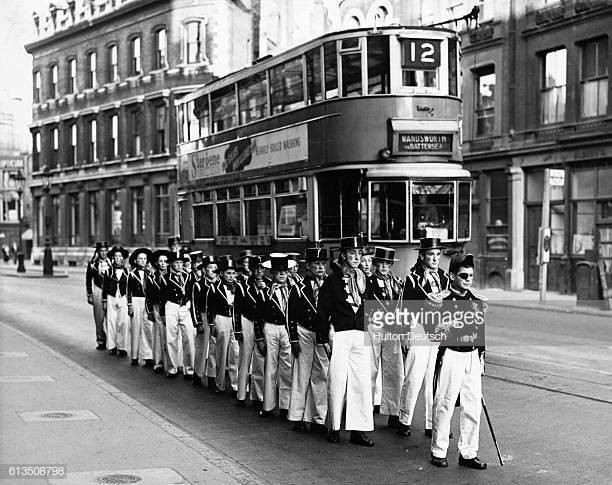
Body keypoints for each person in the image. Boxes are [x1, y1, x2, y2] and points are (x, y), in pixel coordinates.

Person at [431, 253, 487, 469]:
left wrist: (481, 359)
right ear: (452, 276)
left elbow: (480, 333)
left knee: (473, 406)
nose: (468, 279)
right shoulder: (441, 300)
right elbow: (432, 331)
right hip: (451, 354)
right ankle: (438, 450)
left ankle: (469, 453)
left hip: (471, 356)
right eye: (463, 275)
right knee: (445, 403)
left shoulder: (476, 301)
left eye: (471, 275)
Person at [317, 236, 374, 447]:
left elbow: (369, 306)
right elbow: (323, 310)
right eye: (352, 253)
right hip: (340, 334)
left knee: (361, 383)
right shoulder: (332, 281)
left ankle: (358, 430)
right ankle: (334, 427)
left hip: (360, 334)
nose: (357, 257)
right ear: (343, 255)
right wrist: (323, 337)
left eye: (359, 253)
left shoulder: (364, 278)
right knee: (338, 381)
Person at [398, 238, 451, 438]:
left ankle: (431, 423)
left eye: (438, 254)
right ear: (422, 256)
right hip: (419, 328)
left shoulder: (445, 278)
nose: (435, 258)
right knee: (413, 377)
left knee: (433, 380)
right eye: (431, 254)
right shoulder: (413, 279)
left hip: (438, 331)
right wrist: (404, 333)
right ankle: (404, 419)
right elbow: (404, 308)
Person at [287, 247, 330, 433]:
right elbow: (291, 315)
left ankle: (317, 418)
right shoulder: (298, 287)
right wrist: (293, 339)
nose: (320, 268)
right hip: (303, 331)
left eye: (322, 264)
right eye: (316, 264)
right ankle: (297, 416)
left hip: (322, 333)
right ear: (309, 266)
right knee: (301, 374)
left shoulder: (330, 285)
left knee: (320, 376)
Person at [367, 246, 404, 429]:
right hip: (374, 327)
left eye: (387, 264)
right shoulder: (368, 282)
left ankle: (392, 412)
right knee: (370, 370)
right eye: (381, 263)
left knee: (394, 370)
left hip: (392, 329)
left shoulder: (397, 283)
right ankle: (365, 412)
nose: (384, 267)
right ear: (375, 264)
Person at [255, 253, 295, 418]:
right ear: (271, 273)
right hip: (271, 328)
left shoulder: (293, 289)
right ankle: (268, 405)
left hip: (286, 329)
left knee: (287, 367)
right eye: (278, 271)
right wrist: (259, 338)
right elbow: (258, 316)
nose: (282, 274)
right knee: (270, 367)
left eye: (285, 271)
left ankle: (285, 405)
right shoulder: (264, 292)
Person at [234, 254, 269, 408]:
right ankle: (241, 395)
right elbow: (237, 309)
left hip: (262, 323)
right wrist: (237, 329)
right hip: (247, 321)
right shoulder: (242, 285)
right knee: (245, 358)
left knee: (260, 360)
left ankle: (258, 397)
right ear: (251, 269)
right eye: (256, 268)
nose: (259, 271)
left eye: (262, 268)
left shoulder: (269, 284)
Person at [206, 255, 240, 394]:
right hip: (221, 319)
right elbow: (210, 308)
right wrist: (211, 324)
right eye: (228, 273)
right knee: (221, 352)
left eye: (233, 273)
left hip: (234, 320)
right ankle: (219, 384)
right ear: (221, 274)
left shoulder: (238, 287)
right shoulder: (214, 287)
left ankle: (235, 385)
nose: (231, 276)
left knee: (235, 353)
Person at [160, 250, 196, 378]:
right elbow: (162, 297)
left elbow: (192, 293)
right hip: (171, 306)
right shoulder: (165, 278)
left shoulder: (189, 276)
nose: (179, 265)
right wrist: (162, 314)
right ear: (171, 264)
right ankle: (172, 368)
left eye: (181, 263)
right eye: (176, 263)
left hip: (185, 307)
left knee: (189, 338)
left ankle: (189, 369)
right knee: (171, 338)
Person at [191, 255, 219, 388]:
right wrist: (198, 322)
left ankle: (212, 376)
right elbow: (194, 304)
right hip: (203, 317)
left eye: (215, 268)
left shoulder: (220, 285)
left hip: (216, 318)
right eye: (209, 268)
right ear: (204, 270)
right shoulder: (199, 285)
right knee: (201, 347)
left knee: (214, 347)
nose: (212, 270)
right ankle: (198, 374)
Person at [127, 248, 154, 367]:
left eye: (144, 259)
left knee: (148, 327)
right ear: (136, 261)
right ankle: (134, 356)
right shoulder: (132, 274)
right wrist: (129, 305)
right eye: (140, 259)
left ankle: (148, 356)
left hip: (147, 301)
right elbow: (128, 291)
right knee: (135, 328)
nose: (142, 261)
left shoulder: (151, 273)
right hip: (136, 300)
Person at [102, 246, 130, 357]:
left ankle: (122, 346)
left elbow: (129, 287)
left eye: (120, 256)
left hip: (122, 297)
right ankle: (112, 346)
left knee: (123, 322)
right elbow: (105, 286)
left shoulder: (127, 271)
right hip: (111, 296)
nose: (118, 258)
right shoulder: (108, 271)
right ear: (113, 258)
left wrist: (129, 300)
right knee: (111, 321)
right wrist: (104, 300)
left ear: (122, 258)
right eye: (116, 256)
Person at [147, 249, 171, 374]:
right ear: (156, 263)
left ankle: (171, 363)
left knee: (170, 335)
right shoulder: (152, 278)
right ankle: (158, 362)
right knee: (158, 333)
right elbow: (149, 296)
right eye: (160, 261)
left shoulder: (172, 277)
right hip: (157, 307)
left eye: (165, 261)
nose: (163, 264)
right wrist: (149, 310)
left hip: (170, 307)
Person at [86, 241, 111, 350]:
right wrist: (90, 294)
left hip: (111, 291)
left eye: (105, 251)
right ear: (98, 252)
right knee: (99, 317)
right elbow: (88, 280)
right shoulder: (93, 264)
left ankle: (113, 342)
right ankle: (101, 340)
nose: (103, 253)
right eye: (101, 251)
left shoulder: (112, 262)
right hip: (98, 290)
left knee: (112, 318)